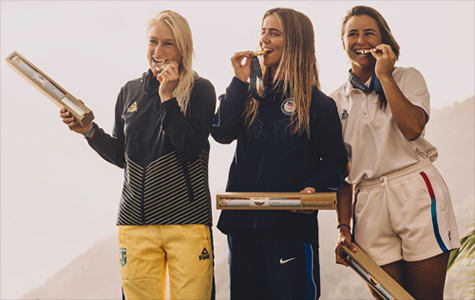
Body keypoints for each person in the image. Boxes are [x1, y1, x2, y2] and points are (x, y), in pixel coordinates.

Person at [60, 10, 216, 300]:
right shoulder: (129, 91)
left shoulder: (200, 89)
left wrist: (167, 97)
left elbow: (191, 148)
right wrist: (89, 131)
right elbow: (122, 155)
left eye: (168, 44)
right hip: (134, 224)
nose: (158, 51)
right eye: (153, 42)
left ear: (183, 49)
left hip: (186, 222)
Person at [212, 7, 348, 300]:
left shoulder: (318, 104)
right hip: (243, 224)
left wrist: (315, 187)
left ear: (295, 43)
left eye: (274, 33)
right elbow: (221, 132)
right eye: (263, 31)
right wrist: (238, 81)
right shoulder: (248, 94)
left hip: (290, 228)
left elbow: (337, 162)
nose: (264, 40)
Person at [332, 5, 461, 300]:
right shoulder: (334, 101)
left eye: (369, 33)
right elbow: (341, 171)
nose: (361, 40)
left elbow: (413, 128)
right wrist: (343, 226)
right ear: (343, 42)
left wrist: (385, 76)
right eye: (353, 34)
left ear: (383, 39)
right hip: (368, 203)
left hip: (415, 191)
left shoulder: (407, 77)